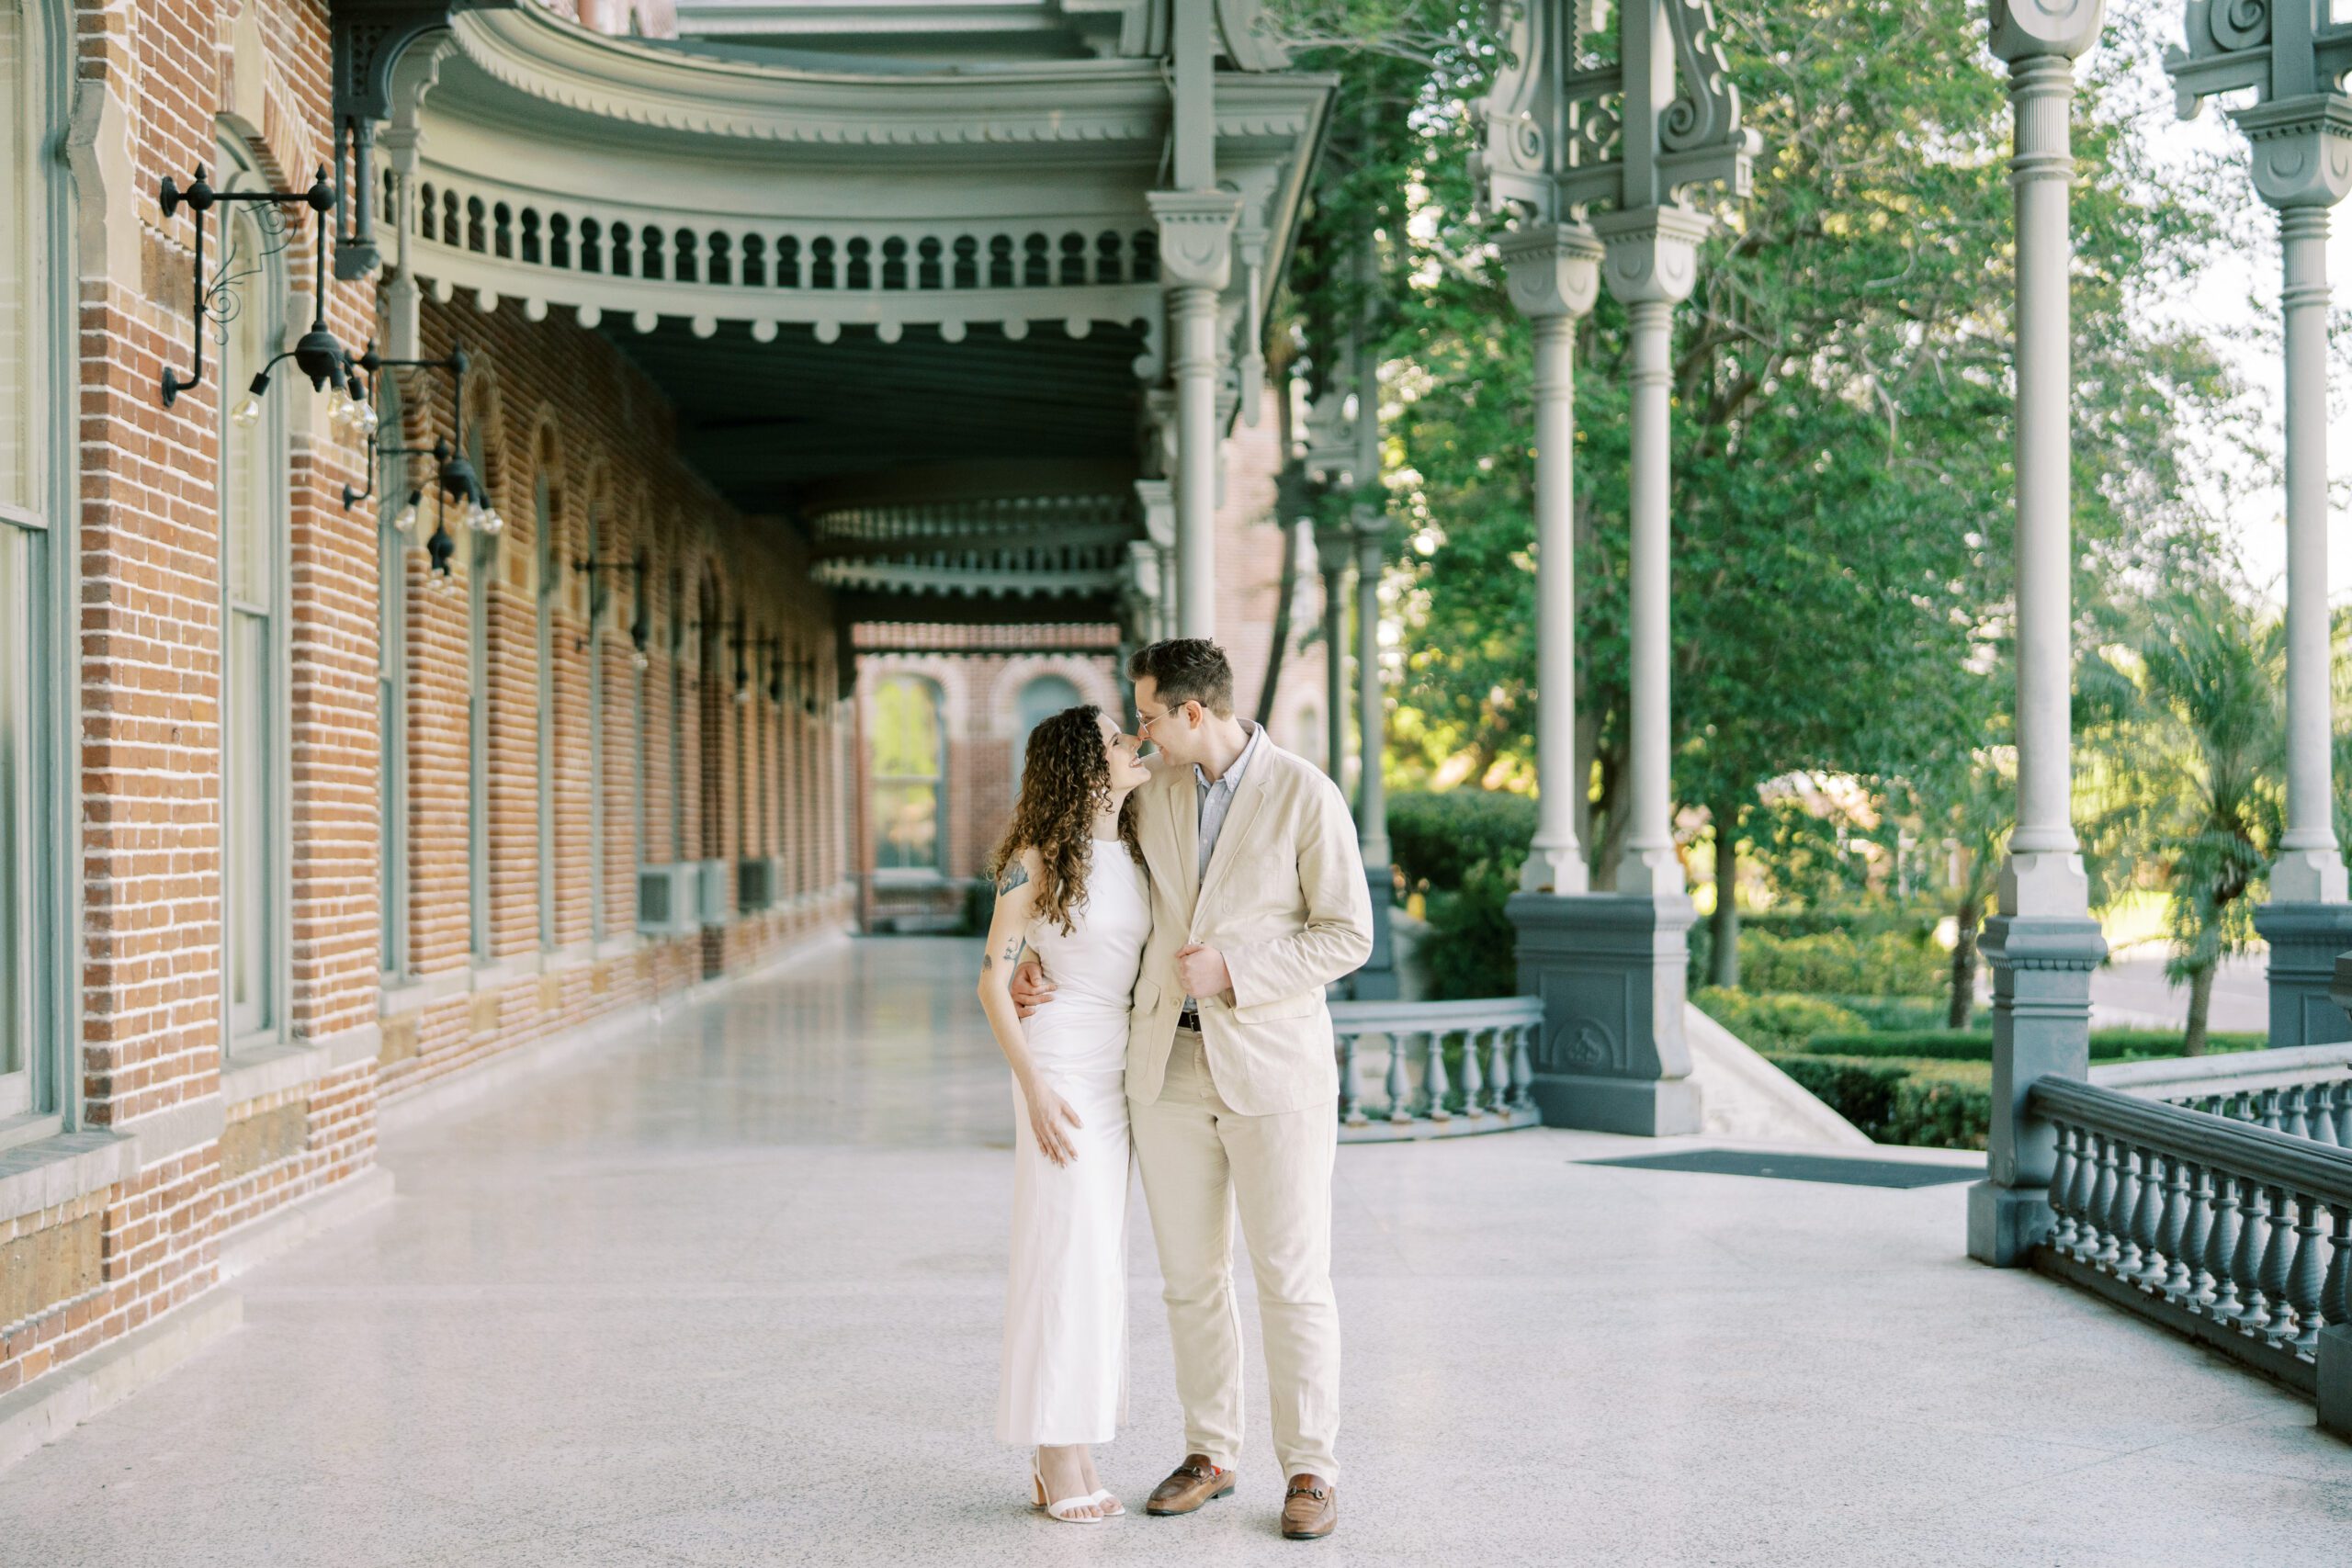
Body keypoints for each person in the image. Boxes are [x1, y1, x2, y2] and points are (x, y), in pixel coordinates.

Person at [1012, 638, 1372, 1540]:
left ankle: (1310, 1469)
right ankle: (1210, 1452)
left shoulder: (1304, 794)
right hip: (1163, 1071)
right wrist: (1026, 961)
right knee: (1188, 1279)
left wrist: (1237, 969)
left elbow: (1347, 934)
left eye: (1147, 714)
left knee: (1290, 1276)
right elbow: (1074, 877)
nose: (1139, 731)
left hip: (1275, 1071)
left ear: (1193, 713)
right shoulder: (1152, 797)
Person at [975, 704, 1152, 1524]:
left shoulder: (1138, 845)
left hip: (1117, 1066)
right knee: (1062, 1249)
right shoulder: (1032, 858)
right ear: (1085, 765)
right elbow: (992, 980)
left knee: (1097, 1257)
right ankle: (1054, 1449)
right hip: (1059, 1065)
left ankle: (1075, 1443)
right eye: (1118, 738)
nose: (1134, 743)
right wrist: (1036, 1087)